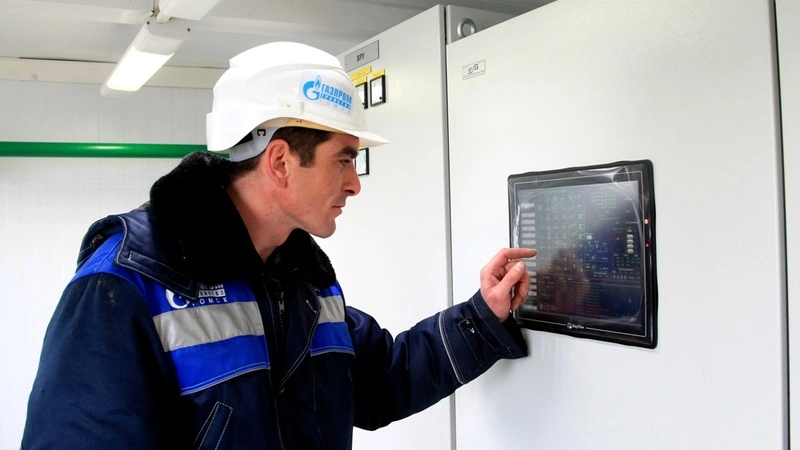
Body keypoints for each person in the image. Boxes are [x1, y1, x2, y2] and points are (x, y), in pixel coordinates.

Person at [21, 41, 536, 449]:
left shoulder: (302, 280)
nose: (354, 184)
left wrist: (483, 315)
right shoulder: (126, 282)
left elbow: (383, 380)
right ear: (282, 162)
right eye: (344, 159)